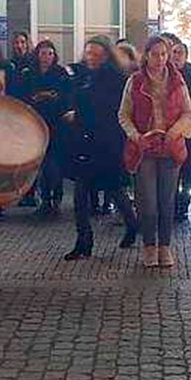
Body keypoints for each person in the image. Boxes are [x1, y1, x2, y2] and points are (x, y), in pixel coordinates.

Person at [119, 35, 191, 268]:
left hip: (170, 147)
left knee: (167, 200)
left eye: (164, 54)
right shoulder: (135, 81)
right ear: (146, 55)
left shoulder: (177, 80)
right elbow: (124, 114)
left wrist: (175, 132)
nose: (160, 59)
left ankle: (165, 246)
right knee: (147, 201)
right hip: (145, 148)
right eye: (155, 54)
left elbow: (188, 112)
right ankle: (149, 246)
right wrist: (136, 136)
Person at [63, 36, 138, 259]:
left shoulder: (115, 79)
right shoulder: (85, 75)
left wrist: (78, 115)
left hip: (107, 144)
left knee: (114, 190)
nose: (91, 58)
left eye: (96, 54)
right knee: (82, 194)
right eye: (89, 53)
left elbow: (106, 110)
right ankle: (84, 241)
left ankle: (131, 226)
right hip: (87, 143)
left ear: (107, 55)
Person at [21, 39, 71, 215]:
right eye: (43, 53)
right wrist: (39, 96)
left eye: (50, 53)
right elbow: (24, 96)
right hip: (35, 122)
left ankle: (56, 198)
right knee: (40, 162)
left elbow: (65, 96)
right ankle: (44, 199)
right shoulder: (29, 73)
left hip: (55, 123)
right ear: (37, 54)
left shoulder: (61, 73)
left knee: (54, 162)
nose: (46, 57)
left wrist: (49, 96)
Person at [169, 38, 191, 220]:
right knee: (173, 169)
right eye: (173, 52)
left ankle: (184, 203)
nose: (176, 56)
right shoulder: (165, 74)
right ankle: (172, 204)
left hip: (190, 130)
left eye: (180, 53)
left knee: (188, 172)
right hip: (171, 129)